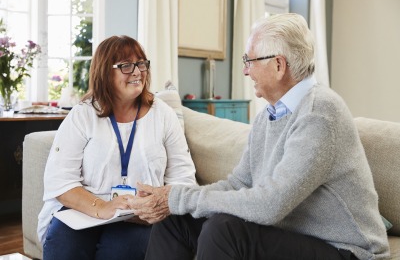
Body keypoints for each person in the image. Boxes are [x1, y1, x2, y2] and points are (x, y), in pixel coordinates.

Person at [128, 14, 390, 260]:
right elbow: (239, 183)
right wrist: (174, 199)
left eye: (249, 61)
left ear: (278, 65)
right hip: (296, 237)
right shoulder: (269, 115)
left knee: (223, 230)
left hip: (348, 250)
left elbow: (270, 205)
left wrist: (177, 198)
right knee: (175, 220)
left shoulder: (319, 112)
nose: (245, 71)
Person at [37, 35, 196, 260]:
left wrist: (154, 206)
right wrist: (102, 207)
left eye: (141, 64)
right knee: (62, 249)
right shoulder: (83, 114)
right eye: (126, 66)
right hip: (86, 210)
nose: (138, 72)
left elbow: (184, 180)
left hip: (139, 215)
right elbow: (59, 181)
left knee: (121, 252)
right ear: (104, 72)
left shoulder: (163, 115)